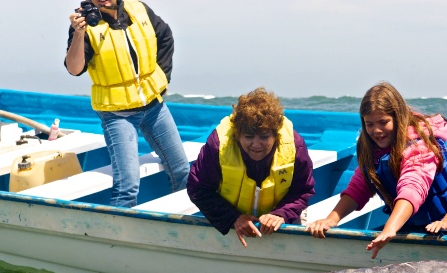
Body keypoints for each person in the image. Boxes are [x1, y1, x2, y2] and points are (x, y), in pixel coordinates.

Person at [306, 82, 447, 258]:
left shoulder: (420, 146)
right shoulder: (371, 149)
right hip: (410, 227)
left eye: (383, 122)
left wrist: (389, 229)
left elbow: (413, 187)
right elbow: (360, 187)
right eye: (369, 124)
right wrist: (331, 219)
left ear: (399, 117)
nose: (376, 130)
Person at [64, 0, 190, 207]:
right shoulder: (85, 24)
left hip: (154, 106)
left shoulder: (138, 8)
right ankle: (117, 236)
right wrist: (78, 34)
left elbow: (165, 36)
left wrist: (163, 78)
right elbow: (74, 69)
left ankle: (180, 224)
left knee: (182, 171)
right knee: (127, 187)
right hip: (117, 114)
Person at [186, 87, 315, 247]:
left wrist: (281, 214)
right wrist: (233, 218)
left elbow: (302, 190)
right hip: (229, 216)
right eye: (248, 137)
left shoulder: (295, 147)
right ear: (237, 134)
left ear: (276, 135)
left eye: (264, 137)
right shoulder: (218, 146)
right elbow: (198, 188)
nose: (256, 145)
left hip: (281, 218)